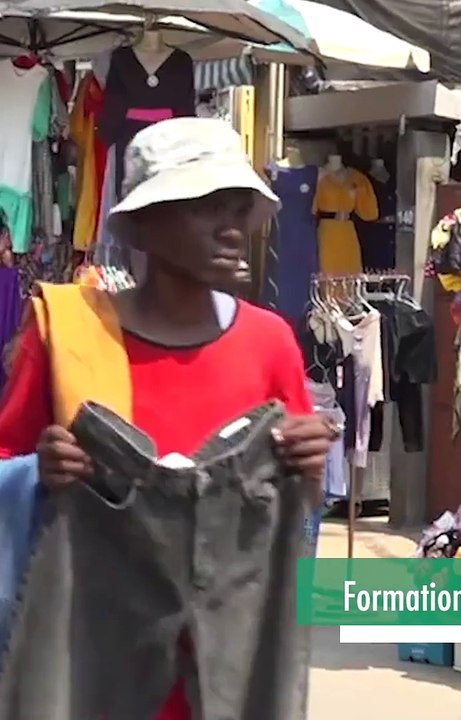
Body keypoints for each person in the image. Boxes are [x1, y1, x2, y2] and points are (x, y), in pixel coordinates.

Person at [0, 117, 337, 720]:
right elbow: (5, 468)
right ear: (145, 224)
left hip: (231, 664)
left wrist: (308, 468)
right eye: (206, 207)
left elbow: (295, 520)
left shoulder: (269, 343)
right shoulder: (68, 335)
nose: (231, 227)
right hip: (92, 665)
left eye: (238, 208)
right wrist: (36, 471)